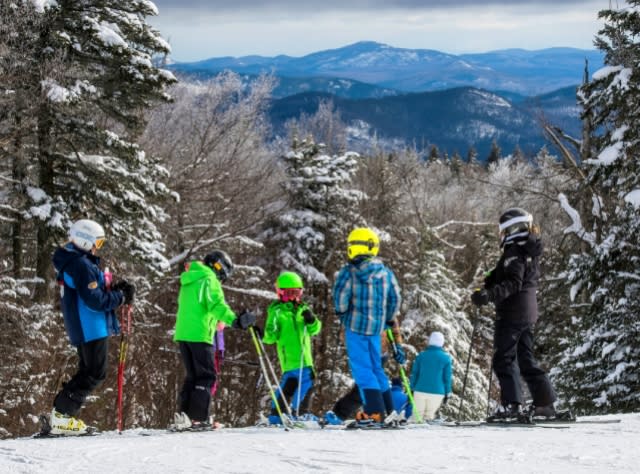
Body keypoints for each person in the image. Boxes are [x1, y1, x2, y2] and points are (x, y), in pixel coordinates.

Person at [471, 208, 557, 420]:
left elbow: (513, 283)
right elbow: (518, 278)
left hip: (512, 314)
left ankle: (512, 405)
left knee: (504, 359)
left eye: (504, 230)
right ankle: (544, 404)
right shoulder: (527, 251)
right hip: (526, 313)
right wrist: (492, 279)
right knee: (525, 359)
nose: (502, 235)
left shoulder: (514, 252)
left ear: (513, 229)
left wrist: (489, 295)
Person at [50, 219, 135, 435]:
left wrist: (116, 290)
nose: (99, 247)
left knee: (91, 370)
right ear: (86, 241)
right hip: (89, 324)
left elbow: (92, 292)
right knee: (95, 371)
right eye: (98, 242)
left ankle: (62, 414)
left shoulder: (78, 262)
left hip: (87, 324)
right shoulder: (81, 264)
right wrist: (120, 297)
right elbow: (94, 300)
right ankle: (62, 415)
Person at [173, 250, 256, 431]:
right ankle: (199, 418)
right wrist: (235, 320)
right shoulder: (209, 279)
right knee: (207, 376)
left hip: (183, 334)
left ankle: (184, 417)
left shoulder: (190, 278)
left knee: (193, 376)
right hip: (200, 334)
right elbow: (216, 305)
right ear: (219, 267)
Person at [333, 227, 403, 427]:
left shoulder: (348, 273)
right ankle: (389, 411)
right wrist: (388, 319)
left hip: (355, 328)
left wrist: (342, 313)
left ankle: (375, 413)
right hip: (376, 329)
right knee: (377, 369)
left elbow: (341, 297)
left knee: (363, 371)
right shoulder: (385, 273)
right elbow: (395, 298)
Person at [262, 271, 322, 424]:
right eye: (289, 293)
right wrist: (265, 331)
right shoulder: (276, 311)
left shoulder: (303, 308)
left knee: (289, 384)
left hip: (304, 357)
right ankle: (300, 413)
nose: (294, 297)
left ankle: (277, 414)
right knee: (307, 381)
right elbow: (270, 337)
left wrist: (311, 320)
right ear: (281, 293)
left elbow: (315, 329)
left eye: (297, 292)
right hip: (290, 356)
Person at [409, 331, 452, 421]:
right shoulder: (446, 358)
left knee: (416, 418)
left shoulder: (421, 356)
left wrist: (411, 388)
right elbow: (447, 378)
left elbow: (415, 374)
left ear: (430, 341)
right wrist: (447, 392)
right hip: (437, 392)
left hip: (420, 390)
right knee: (428, 418)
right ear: (442, 343)